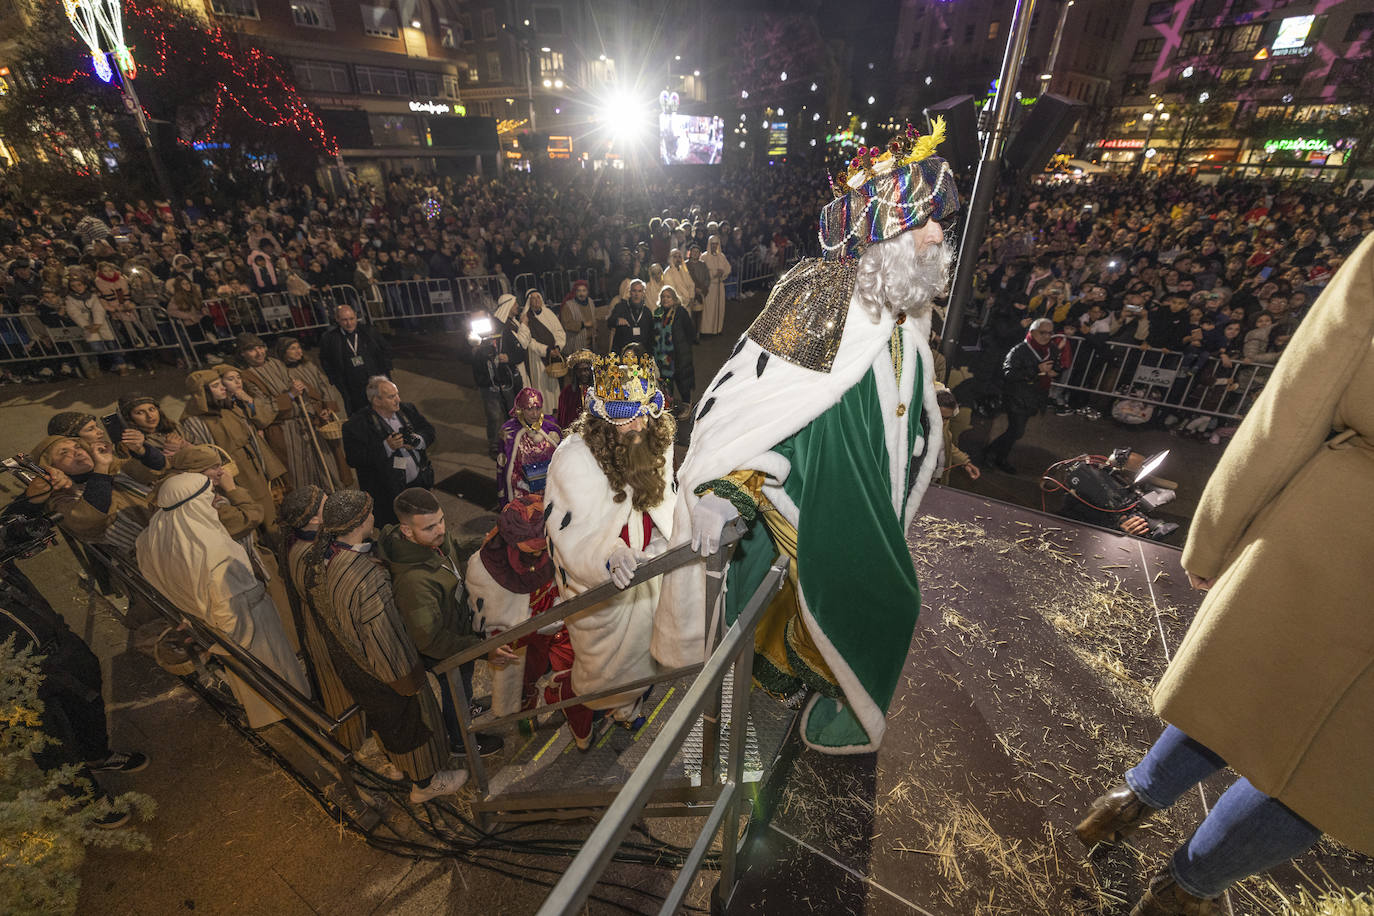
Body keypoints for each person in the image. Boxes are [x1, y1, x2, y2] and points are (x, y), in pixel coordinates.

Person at [1073, 232, 1374, 915]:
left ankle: (1127, 803)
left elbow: (1299, 399)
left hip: (1339, 528)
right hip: (1345, 520)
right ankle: (1186, 890)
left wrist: (1218, 534)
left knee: (1248, 683)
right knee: (1328, 770)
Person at [655, 123, 957, 754]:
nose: (936, 234)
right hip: (827, 491)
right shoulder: (818, 298)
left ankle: (811, 685)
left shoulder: (903, 300)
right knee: (885, 604)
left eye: (936, 219)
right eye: (922, 220)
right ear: (878, 233)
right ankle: (848, 709)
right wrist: (723, 490)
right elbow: (757, 406)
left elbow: (898, 384)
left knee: (839, 603)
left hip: (873, 489)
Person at [302, 490, 467, 803]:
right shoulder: (366, 577)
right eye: (369, 513)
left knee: (391, 727)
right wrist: (406, 678)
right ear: (362, 521)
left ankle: (401, 768)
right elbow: (382, 633)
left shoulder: (333, 556)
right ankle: (426, 783)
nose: (374, 517)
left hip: (359, 665)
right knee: (413, 724)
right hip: (387, 668)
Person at [543, 353, 676, 727]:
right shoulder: (574, 459)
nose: (638, 422)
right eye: (624, 414)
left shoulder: (656, 436)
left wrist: (665, 543)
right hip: (603, 594)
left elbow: (667, 498)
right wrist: (610, 556)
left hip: (652, 572)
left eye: (644, 410)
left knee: (646, 655)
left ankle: (628, 708)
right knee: (601, 672)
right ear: (602, 414)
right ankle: (581, 708)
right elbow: (569, 535)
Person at [136, 473, 309, 729]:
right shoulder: (214, 551)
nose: (216, 500)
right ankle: (298, 717)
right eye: (209, 496)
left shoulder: (150, 537)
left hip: (204, 620)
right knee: (276, 680)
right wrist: (233, 644)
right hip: (250, 626)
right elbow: (232, 614)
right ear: (195, 503)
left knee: (250, 687)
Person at [1, 563, 148, 829]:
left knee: (86, 694)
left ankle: (96, 755)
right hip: (11, 677)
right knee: (48, 738)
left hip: (54, 642)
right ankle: (88, 798)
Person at [377, 487, 508, 757]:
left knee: (465, 683)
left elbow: (452, 550)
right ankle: (460, 741)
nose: (439, 530)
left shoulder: (431, 542)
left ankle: (466, 707)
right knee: (455, 689)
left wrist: (482, 545)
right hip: (446, 648)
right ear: (406, 531)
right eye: (429, 527)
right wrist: (483, 650)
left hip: (459, 628)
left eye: (441, 520)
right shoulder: (413, 582)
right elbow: (431, 640)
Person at [466, 493, 595, 749]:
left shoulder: (554, 540)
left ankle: (580, 727)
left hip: (561, 620)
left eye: (542, 542)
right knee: (523, 678)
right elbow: (485, 616)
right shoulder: (484, 567)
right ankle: (525, 712)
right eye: (532, 545)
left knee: (577, 674)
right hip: (520, 634)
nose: (539, 550)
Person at [278, 486, 367, 752]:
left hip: (326, 627)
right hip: (327, 634)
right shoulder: (309, 555)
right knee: (340, 691)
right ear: (315, 519)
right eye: (326, 505)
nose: (332, 507)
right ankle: (349, 749)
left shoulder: (304, 540)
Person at [177, 367, 285, 534]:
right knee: (247, 512)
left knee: (269, 512)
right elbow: (203, 450)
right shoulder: (195, 421)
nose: (222, 388)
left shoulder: (229, 408)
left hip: (252, 467)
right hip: (231, 474)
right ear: (203, 392)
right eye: (215, 385)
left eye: (221, 383)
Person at [238, 333, 342, 492]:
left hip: (305, 420)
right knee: (298, 472)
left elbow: (299, 386)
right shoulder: (246, 376)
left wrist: (315, 408)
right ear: (242, 354)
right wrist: (290, 395)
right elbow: (261, 405)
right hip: (284, 429)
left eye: (260, 347)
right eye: (252, 350)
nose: (259, 353)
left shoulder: (276, 363)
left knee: (324, 466)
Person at [342, 376, 436, 527]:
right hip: (389, 496)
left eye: (397, 394)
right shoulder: (356, 425)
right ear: (376, 400)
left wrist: (418, 440)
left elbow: (429, 431)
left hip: (420, 484)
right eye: (391, 397)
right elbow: (354, 458)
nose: (398, 399)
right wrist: (386, 447)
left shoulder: (407, 410)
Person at [984, 318, 1067, 475]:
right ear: (1033, 332)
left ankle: (996, 455)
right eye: (1043, 333)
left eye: (1050, 333)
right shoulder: (1019, 350)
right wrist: (1036, 369)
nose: (1047, 336)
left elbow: (1057, 367)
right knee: (1017, 431)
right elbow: (1009, 373)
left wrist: (1055, 372)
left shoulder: (1052, 349)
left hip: (1035, 397)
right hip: (1017, 396)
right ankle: (993, 454)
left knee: (1016, 430)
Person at [275, 336, 353, 488]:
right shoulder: (283, 372)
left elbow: (324, 386)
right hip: (306, 417)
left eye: (298, 347)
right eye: (292, 349)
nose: (298, 351)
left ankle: (336, 484)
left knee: (331, 453)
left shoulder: (310, 366)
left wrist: (327, 408)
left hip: (322, 415)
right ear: (283, 352)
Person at [470, 300, 526, 460]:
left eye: (481, 320)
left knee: (511, 412)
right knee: (493, 416)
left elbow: (520, 353)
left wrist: (508, 357)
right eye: (474, 321)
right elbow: (462, 356)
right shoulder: (471, 334)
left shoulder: (502, 329)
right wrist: (473, 349)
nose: (478, 324)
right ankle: (494, 445)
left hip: (505, 379)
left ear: (488, 317)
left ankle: (516, 439)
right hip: (487, 384)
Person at [317, 305, 392, 416]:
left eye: (352, 319)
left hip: (375, 380)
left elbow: (385, 350)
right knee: (360, 415)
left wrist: (386, 374)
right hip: (351, 386)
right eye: (345, 320)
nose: (349, 323)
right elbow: (325, 360)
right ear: (337, 319)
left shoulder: (368, 331)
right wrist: (335, 379)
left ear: (356, 317)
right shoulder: (329, 338)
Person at [496, 387, 561, 507]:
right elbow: (506, 469)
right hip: (524, 493)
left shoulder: (551, 426)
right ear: (520, 410)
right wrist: (523, 485)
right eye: (530, 409)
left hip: (552, 490)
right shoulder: (509, 433)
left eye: (538, 408)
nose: (535, 414)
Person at [651, 285, 697, 417]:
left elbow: (690, 332)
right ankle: (668, 405)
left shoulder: (681, 312)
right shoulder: (658, 312)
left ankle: (687, 405)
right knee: (666, 382)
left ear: (674, 299)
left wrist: (683, 347)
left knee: (683, 380)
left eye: (668, 296)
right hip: (663, 355)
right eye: (663, 297)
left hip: (680, 354)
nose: (665, 299)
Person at [519, 290, 566, 408]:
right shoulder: (527, 318)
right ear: (529, 302)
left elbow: (559, 331)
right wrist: (546, 351)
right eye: (533, 298)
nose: (536, 301)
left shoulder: (549, 313)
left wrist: (557, 347)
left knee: (553, 385)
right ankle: (543, 409)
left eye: (538, 297)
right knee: (541, 384)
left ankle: (556, 407)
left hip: (554, 354)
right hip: (537, 357)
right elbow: (529, 341)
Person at [936, 388, 980, 485]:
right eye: (940, 416)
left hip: (937, 477)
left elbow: (947, 446)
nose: (943, 422)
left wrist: (965, 462)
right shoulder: (921, 430)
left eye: (947, 418)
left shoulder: (944, 426)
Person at [607, 279, 656, 355]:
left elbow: (651, 335)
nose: (637, 294)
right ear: (630, 292)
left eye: (639, 291)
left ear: (643, 293)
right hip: (623, 352)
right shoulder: (620, 307)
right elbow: (609, 322)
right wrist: (617, 320)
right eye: (634, 291)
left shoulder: (647, 312)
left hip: (641, 353)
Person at [555, 349, 595, 430]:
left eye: (586, 369)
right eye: (580, 370)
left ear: (591, 371)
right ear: (575, 372)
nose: (583, 373)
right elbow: (563, 421)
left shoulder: (599, 390)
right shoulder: (567, 393)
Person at [700, 236, 731, 336]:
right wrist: (714, 273)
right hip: (709, 287)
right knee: (708, 309)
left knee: (719, 308)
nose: (714, 246)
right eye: (712, 244)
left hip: (719, 286)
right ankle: (706, 330)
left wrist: (722, 273)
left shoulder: (721, 256)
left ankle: (717, 329)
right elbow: (702, 272)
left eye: (716, 244)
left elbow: (728, 268)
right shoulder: (704, 257)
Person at [556, 280, 596, 354]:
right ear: (575, 292)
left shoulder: (590, 302)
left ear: (587, 292)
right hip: (575, 346)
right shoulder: (568, 306)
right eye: (579, 291)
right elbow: (566, 325)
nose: (582, 294)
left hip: (590, 345)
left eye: (584, 291)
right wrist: (583, 324)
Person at [663, 248, 695, 319]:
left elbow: (691, 284)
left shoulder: (683, 270)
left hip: (688, 303)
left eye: (679, 257)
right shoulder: (667, 273)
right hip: (676, 306)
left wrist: (691, 297)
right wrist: (684, 300)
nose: (678, 259)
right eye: (675, 257)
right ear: (671, 258)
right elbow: (671, 292)